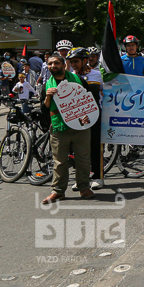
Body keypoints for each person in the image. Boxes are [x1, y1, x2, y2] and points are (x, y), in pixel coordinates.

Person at [41, 54, 94, 204]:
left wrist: (88, 115)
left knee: (83, 159)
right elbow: (44, 109)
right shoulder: (47, 85)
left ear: (64, 65)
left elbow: (90, 101)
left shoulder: (78, 80)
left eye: (56, 63)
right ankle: (58, 192)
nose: (53, 66)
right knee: (59, 161)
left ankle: (84, 187)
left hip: (80, 126)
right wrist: (48, 97)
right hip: (59, 127)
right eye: (50, 64)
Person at [66, 47, 104, 189]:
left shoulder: (97, 75)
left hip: (94, 115)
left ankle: (98, 176)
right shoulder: (69, 76)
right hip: (76, 117)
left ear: (85, 60)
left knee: (95, 146)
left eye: (76, 61)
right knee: (78, 148)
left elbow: (104, 91)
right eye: (71, 62)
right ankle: (81, 178)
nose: (73, 64)